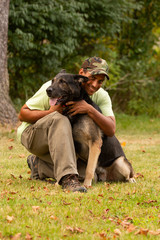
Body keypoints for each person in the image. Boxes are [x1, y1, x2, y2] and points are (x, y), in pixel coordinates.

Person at [17, 56, 125, 193]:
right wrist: (51, 112)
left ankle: (39, 166)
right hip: (34, 135)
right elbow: (22, 114)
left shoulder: (100, 95)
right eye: (92, 78)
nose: (94, 84)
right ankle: (67, 179)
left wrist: (89, 109)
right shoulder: (52, 88)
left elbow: (111, 130)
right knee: (60, 119)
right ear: (81, 74)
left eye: (100, 81)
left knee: (88, 176)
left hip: (59, 143)